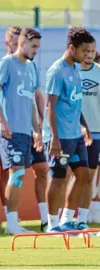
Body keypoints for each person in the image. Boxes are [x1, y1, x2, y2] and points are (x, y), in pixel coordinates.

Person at [0, 26, 49, 232]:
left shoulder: (31, 68)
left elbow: (31, 101)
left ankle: (15, 224)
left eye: (38, 47)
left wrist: (37, 130)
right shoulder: (6, 64)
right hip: (9, 131)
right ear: (22, 43)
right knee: (16, 174)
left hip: (25, 131)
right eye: (33, 46)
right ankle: (12, 224)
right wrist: (2, 121)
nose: (36, 51)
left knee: (20, 174)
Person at [43, 27, 94, 232]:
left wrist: (85, 126)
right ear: (72, 48)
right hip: (61, 137)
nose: (86, 55)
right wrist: (54, 138)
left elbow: (76, 102)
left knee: (83, 175)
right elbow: (50, 106)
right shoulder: (57, 71)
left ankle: (66, 219)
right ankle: (52, 224)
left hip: (76, 135)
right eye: (83, 51)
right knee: (58, 177)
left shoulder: (75, 69)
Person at [65, 37, 100, 230]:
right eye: (85, 51)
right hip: (71, 132)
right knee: (66, 176)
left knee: (88, 177)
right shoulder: (71, 72)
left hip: (95, 133)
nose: (88, 55)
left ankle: (82, 221)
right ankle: (63, 219)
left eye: (92, 52)